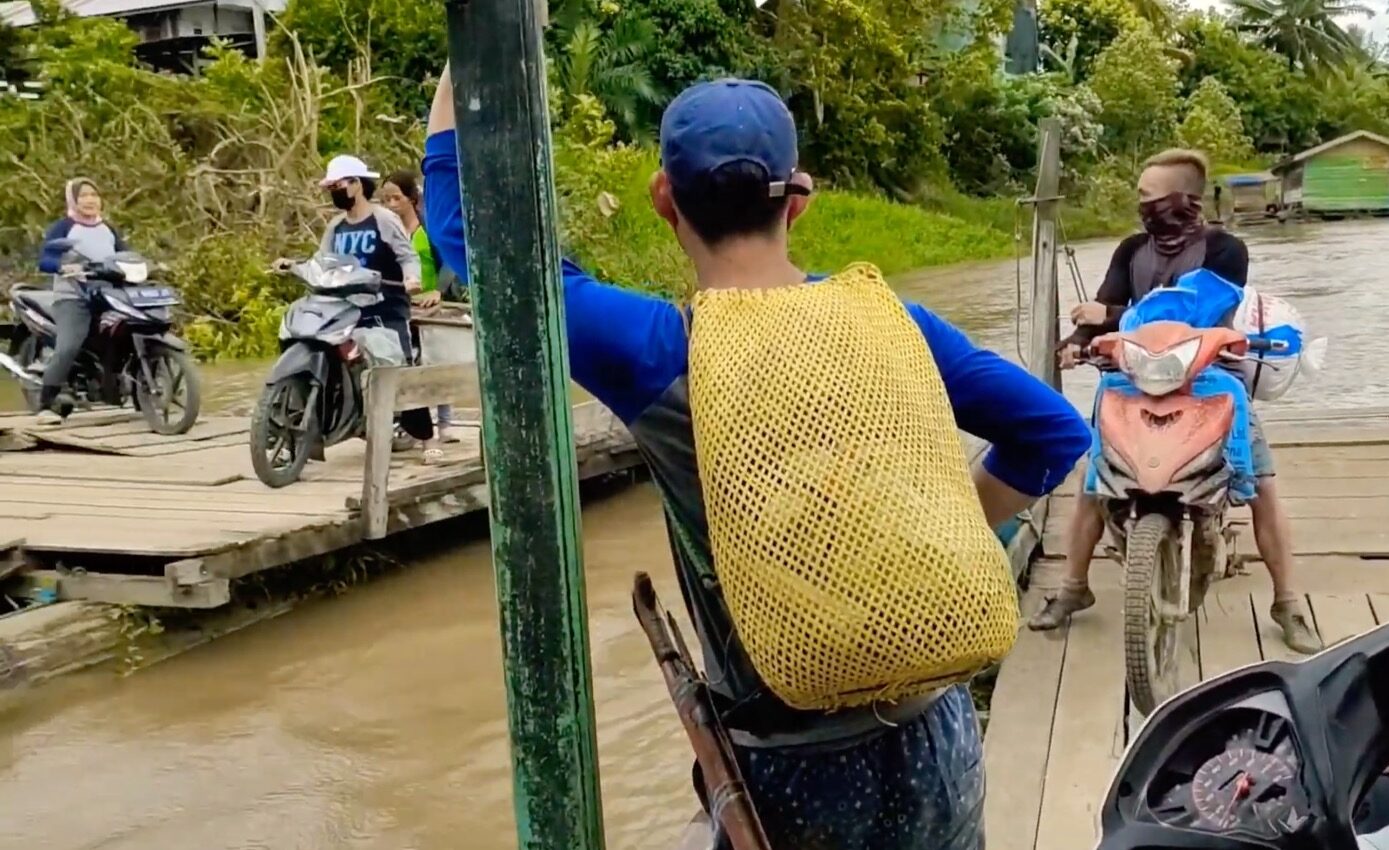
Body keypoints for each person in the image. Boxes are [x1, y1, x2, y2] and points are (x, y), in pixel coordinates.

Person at [425, 72, 1091, 850]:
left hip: (790, 769)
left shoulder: (657, 351)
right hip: (935, 742)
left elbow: (478, 239)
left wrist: (464, 70)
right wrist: (951, 522)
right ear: (798, 200)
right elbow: (1052, 432)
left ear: (663, 199)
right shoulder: (893, 324)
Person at [1033, 148, 1322, 655]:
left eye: (1151, 197)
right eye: (1142, 198)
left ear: (1184, 201)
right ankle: (1073, 587)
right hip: (1135, 376)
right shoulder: (1130, 250)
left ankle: (1287, 599)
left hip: (1209, 375)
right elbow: (1104, 306)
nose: (1143, 207)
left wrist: (1114, 312)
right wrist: (1079, 340)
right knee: (1093, 483)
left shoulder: (1225, 251)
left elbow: (1193, 309)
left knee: (1262, 487)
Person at [292, 154, 441, 464]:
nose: (333, 191)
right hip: (346, 309)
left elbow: (406, 255)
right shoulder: (335, 226)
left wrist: (412, 278)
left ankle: (427, 440)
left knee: (398, 369)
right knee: (327, 359)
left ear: (357, 185)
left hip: (386, 307)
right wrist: (295, 266)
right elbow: (322, 262)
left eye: (337, 185)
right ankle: (320, 432)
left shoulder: (383, 219)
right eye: (330, 186)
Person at [33, 178, 131, 425]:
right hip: (73, 298)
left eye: (94, 195)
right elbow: (45, 260)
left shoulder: (107, 228)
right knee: (68, 346)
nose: (90, 200)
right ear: (73, 200)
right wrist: (64, 266)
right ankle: (45, 404)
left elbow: (125, 254)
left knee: (128, 333)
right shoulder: (64, 227)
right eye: (83, 195)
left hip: (108, 296)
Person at [381, 169, 461, 445]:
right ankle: (405, 423)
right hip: (398, 303)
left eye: (396, 198)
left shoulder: (429, 227)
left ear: (411, 199)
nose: (391, 205)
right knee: (405, 360)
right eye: (386, 199)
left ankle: (445, 425)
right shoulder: (385, 228)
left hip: (429, 301)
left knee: (434, 358)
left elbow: (450, 260)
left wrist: (437, 291)